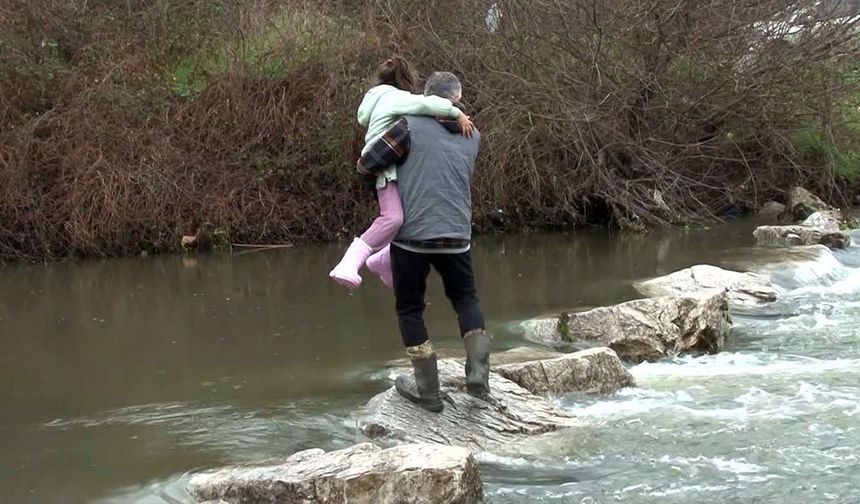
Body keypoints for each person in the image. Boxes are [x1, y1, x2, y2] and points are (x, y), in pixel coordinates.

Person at [356, 71, 492, 413]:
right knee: (466, 299)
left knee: (410, 309)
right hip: (458, 234)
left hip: (412, 236)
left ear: (426, 99)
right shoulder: (473, 135)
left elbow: (366, 164)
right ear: (457, 101)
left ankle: (428, 391)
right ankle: (478, 379)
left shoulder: (407, 126)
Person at [329, 57, 474, 290]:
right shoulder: (396, 98)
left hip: (387, 165)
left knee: (409, 215)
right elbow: (426, 105)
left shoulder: (375, 99)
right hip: (384, 165)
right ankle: (348, 263)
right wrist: (456, 113)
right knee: (393, 217)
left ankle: (383, 261)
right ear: (406, 80)